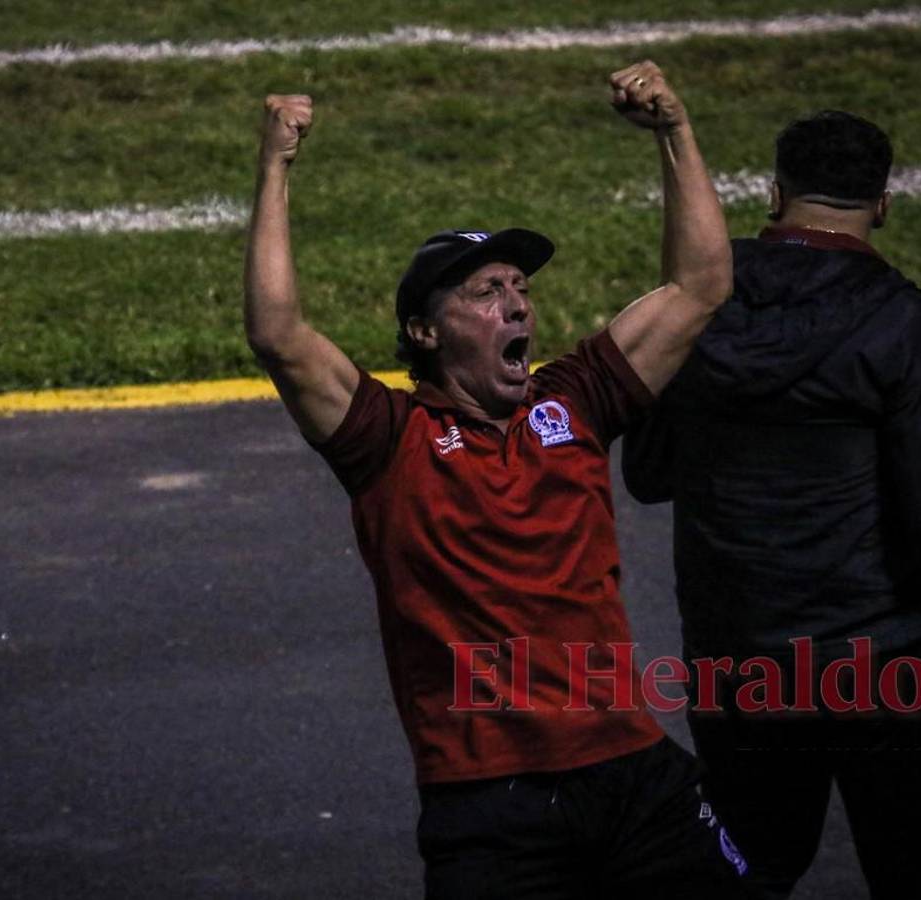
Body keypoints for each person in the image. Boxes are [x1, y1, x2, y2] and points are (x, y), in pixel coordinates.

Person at [243, 62, 748, 899]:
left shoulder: (574, 402)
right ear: (424, 331)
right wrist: (275, 169)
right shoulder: (387, 441)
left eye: (520, 288)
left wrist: (675, 131)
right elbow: (279, 332)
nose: (517, 305)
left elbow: (700, 288)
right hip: (490, 807)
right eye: (486, 292)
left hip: (632, 773)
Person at [621, 110, 921, 899]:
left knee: (750, 870)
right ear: (882, 205)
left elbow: (647, 471)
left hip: (737, 660)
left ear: (775, 195)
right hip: (887, 661)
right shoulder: (908, 324)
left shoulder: (698, 309)